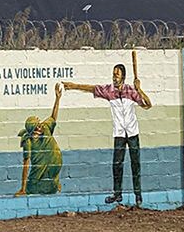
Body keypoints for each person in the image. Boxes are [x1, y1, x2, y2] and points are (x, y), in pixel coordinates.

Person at [61, 63, 151, 206]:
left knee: (135, 164)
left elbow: (147, 105)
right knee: (117, 164)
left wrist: (139, 89)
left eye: (117, 74)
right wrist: (73, 86)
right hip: (119, 133)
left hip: (132, 132)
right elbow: (92, 88)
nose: (114, 77)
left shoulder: (131, 91)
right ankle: (117, 194)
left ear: (123, 76)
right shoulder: (109, 91)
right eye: (113, 74)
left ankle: (138, 194)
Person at [16, 85, 64, 196]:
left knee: (51, 188)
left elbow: (53, 117)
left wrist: (57, 99)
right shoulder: (28, 142)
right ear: (33, 131)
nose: (40, 127)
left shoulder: (45, 128)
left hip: (52, 173)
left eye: (39, 124)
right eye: (37, 126)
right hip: (38, 174)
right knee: (33, 188)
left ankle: (55, 183)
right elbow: (26, 165)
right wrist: (23, 188)